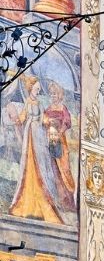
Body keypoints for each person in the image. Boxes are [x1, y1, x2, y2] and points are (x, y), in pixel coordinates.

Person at [9, 75, 65, 223]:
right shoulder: (27, 102)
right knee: (29, 162)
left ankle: (42, 200)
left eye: (39, 89)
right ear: (31, 88)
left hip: (39, 133)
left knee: (41, 162)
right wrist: (16, 120)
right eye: (37, 88)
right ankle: (27, 202)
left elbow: (44, 118)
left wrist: (50, 122)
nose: (38, 91)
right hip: (30, 132)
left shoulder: (39, 103)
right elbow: (22, 117)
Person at [43, 81, 76, 211]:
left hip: (60, 141)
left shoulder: (63, 108)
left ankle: (68, 201)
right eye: (51, 94)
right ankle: (58, 200)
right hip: (51, 140)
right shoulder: (48, 108)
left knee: (65, 169)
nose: (53, 96)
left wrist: (59, 132)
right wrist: (49, 126)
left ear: (59, 95)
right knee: (54, 171)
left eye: (55, 93)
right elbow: (44, 121)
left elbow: (67, 122)